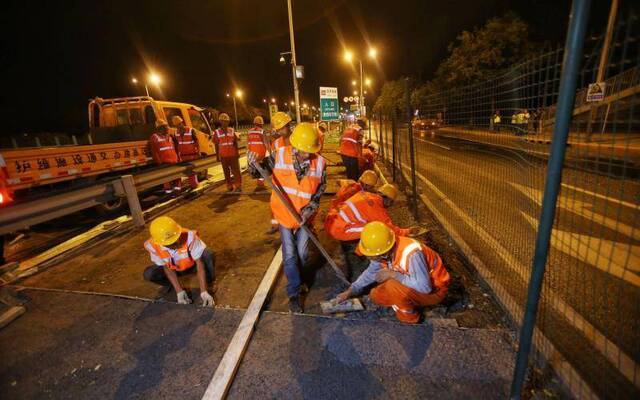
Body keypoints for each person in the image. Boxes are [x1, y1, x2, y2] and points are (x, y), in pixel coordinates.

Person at [250, 122, 327, 313]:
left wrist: (308, 211)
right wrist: (252, 163)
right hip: (284, 214)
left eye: (309, 151)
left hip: (303, 218)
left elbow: (319, 192)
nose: (305, 155)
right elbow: (258, 171)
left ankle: (300, 279)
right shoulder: (280, 155)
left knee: (302, 254)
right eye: (302, 150)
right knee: (290, 255)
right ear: (295, 145)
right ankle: (294, 292)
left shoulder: (320, 163)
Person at [336, 221, 450, 324]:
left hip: (435, 290)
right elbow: (370, 272)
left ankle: (410, 320)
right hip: (413, 283)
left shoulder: (412, 254)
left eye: (371, 257)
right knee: (376, 295)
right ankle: (403, 302)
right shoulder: (385, 249)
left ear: (382, 254)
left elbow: (425, 287)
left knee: (392, 286)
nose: (370, 259)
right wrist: (351, 290)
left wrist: (394, 274)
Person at [325, 184, 416, 279]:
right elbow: (388, 229)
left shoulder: (365, 194)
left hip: (332, 220)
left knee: (370, 226)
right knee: (374, 228)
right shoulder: (375, 207)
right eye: (391, 203)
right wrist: (407, 232)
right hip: (338, 229)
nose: (389, 206)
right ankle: (358, 256)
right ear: (388, 200)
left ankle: (357, 252)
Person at [143, 216, 216, 307]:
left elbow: (200, 264)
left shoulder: (190, 237)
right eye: (170, 244)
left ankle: (209, 284)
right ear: (159, 242)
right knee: (149, 273)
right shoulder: (153, 245)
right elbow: (166, 267)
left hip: (192, 266)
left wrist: (203, 291)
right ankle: (173, 285)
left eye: (175, 239)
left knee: (207, 254)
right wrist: (179, 291)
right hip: (175, 269)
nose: (175, 244)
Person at [149, 119, 181, 194]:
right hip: (165, 163)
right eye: (165, 127)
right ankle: (168, 193)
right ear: (160, 128)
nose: (167, 128)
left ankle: (177, 192)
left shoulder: (170, 137)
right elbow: (154, 152)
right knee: (167, 179)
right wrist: (160, 163)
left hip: (174, 161)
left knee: (177, 177)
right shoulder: (154, 137)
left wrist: (178, 158)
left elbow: (175, 148)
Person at [213, 113, 241, 192]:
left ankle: (238, 185)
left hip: (233, 154)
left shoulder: (232, 130)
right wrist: (217, 156)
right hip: (223, 155)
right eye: (223, 121)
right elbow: (216, 145)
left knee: (236, 171)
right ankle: (229, 186)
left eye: (226, 121)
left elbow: (235, 142)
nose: (225, 123)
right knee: (226, 171)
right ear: (220, 122)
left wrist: (237, 152)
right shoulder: (217, 132)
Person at [171, 115, 200, 190]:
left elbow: (196, 141)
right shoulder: (175, 133)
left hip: (192, 154)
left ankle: (194, 185)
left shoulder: (190, 130)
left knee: (192, 171)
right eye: (177, 125)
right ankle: (193, 185)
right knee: (188, 171)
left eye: (179, 124)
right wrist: (177, 155)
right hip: (183, 156)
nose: (179, 126)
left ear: (182, 122)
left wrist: (198, 152)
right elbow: (176, 144)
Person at [247, 116, 268, 190]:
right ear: (261, 124)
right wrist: (270, 151)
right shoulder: (262, 131)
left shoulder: (249, 131)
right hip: (260, 153)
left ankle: (258, 182)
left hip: (252, 153)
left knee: (256, 167)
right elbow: (266, 143)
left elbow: (248, 143)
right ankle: (261, 182)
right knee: (261, 167)